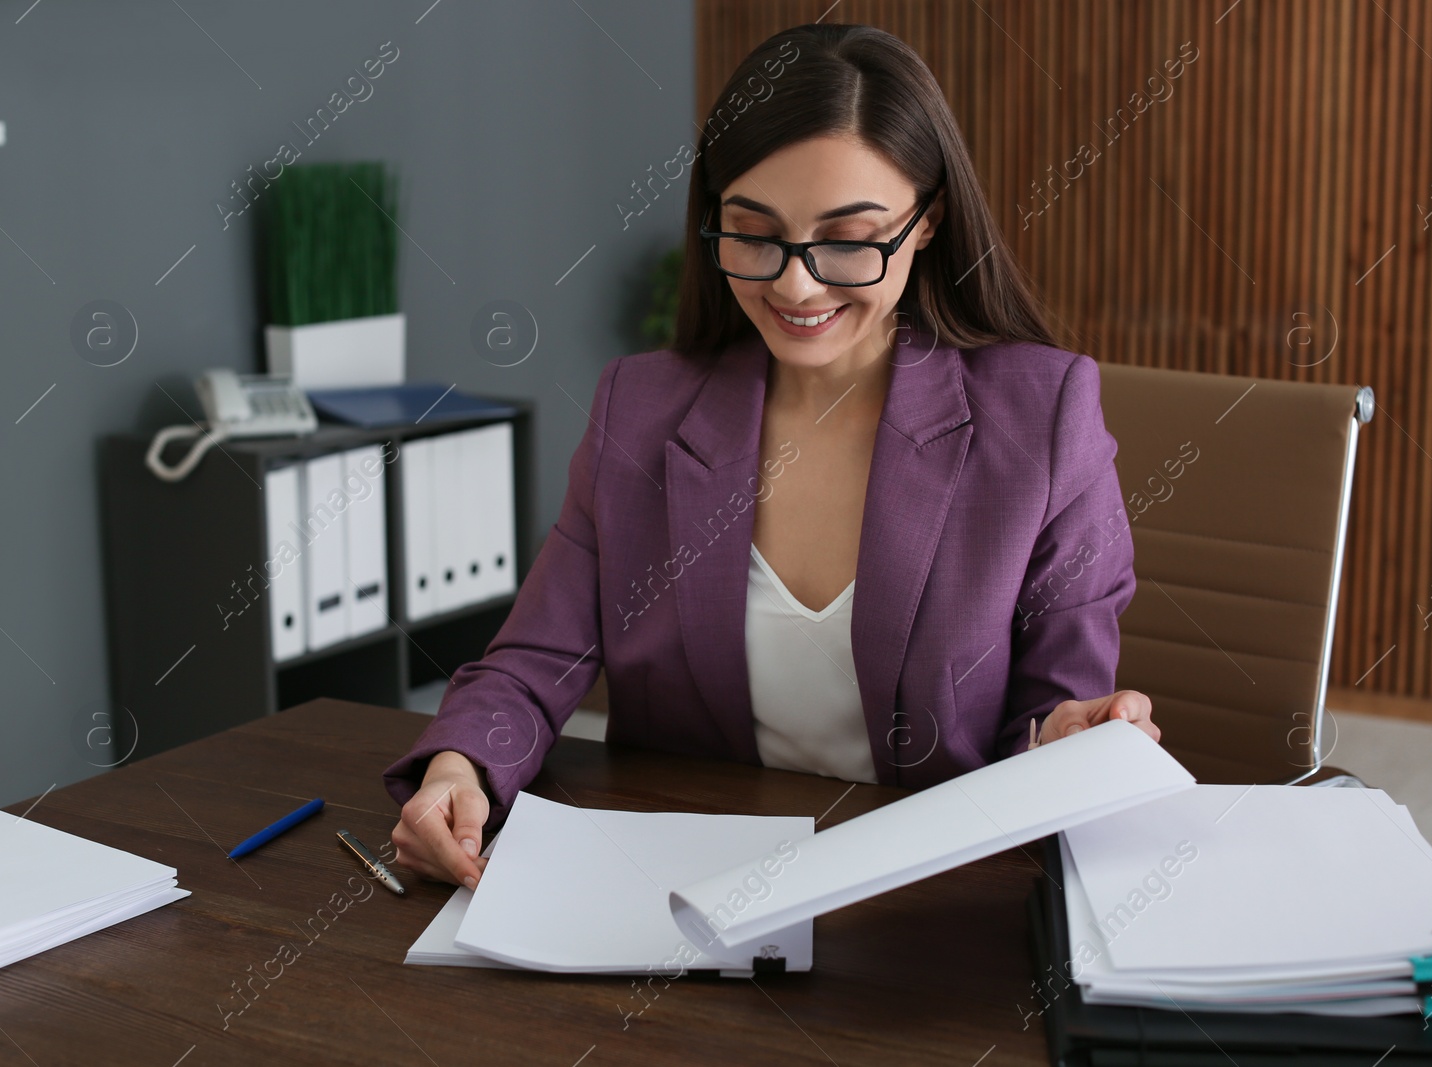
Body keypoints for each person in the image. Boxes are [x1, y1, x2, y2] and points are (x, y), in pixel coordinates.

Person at [384, 23, 1159, 890]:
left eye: (847, 239)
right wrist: (459, 767)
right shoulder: (638, 411)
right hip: (690, 903)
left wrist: (1058, 743)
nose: (795, 285)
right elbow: (531, 664)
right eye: (753, 233)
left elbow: (1052, 720)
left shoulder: (1043, 416)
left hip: (931, 911)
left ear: (928, 220)